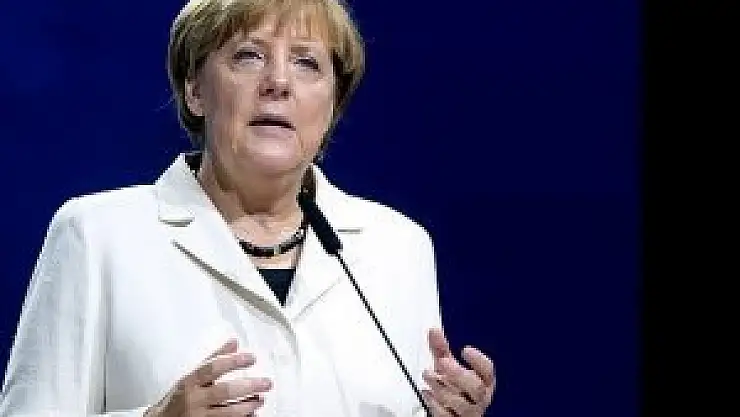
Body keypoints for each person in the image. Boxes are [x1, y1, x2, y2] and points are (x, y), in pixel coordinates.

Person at [0, 0, 496, 416]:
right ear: (195, 90)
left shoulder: (398, 248)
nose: (278, 82)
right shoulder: (98, 236)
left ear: (332, 106)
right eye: (248, 56)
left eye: (306, 63)